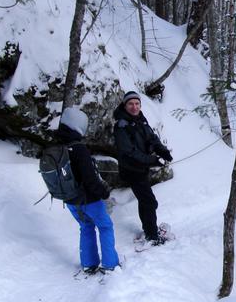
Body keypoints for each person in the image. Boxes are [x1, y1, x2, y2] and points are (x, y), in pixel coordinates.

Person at [57, 107, 119, 273]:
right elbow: (90, 180)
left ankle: (88, 264)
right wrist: (104, 193)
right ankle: (110, 264)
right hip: (89, 200)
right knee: (105, 226)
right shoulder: (79, 149)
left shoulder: (58, 147)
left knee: (86, 227)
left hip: (70, 200)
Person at [113, 91, 173, 246]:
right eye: (130, 104)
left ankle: (149, 230)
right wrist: (152, 160)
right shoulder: (121, 126)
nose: (134, 107)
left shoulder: (140, 119)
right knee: (149, 202)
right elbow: (129, 152)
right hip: (132, 170)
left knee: (145, 201)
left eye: (137, 104)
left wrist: (162, 151)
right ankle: (152, 236)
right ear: (125, 105)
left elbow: (152, 138)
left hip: (141, 168)